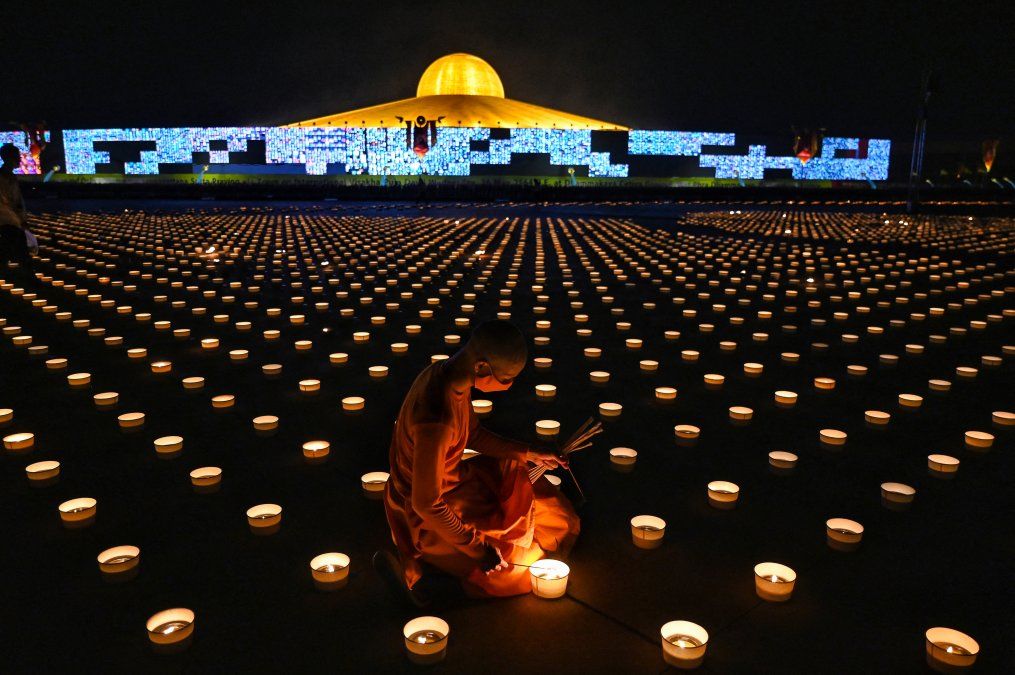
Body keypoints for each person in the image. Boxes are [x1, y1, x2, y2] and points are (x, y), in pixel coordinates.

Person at [375, 320, 580, 606]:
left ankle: (458, 566)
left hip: (456, 481)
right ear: (482, 367)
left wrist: (529, 452)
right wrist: (478, 548)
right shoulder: (436, 417)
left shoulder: (449, 376)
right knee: (512, 568)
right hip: (425, 511)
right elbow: (427, 503)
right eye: (506, 379)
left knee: (545, 504)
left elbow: (472, 434)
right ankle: (434, 587)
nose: (509, 388)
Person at [0, 143, 33, 280]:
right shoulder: (4, 178)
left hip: (11, 220)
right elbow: (12, 201)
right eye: (17, 157)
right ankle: (31, 278)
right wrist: (21, 219)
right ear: (10, 159)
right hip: (7, 220)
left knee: (11, 250)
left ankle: (30, 277)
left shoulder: (10, 177)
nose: (20, 159)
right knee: (15, 250)